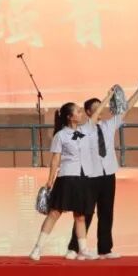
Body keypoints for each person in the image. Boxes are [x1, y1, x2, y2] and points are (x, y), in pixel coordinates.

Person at [67, 85, 138, 260]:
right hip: (90, 176)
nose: (100, 110)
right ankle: (74, 247)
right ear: (87, 112)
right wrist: (108, 97)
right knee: (85, 213)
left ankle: (105, 249)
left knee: (106, 212)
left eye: (101, 106)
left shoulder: (109, 125)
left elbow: (126, 107)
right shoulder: (84, 129)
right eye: (96, 108)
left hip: (108, 175)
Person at [29, 103, 97, 261]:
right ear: (70, 117)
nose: (81, 113)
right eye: (78, 111)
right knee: (54, 213)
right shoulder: (60, 136)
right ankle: (37, 249)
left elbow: (95, 116)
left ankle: (83, 250)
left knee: (80, 216)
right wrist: (50, 180)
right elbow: (55, 159)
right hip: (66, 178)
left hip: (83, 178)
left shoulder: (84, 131)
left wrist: (109, 96)